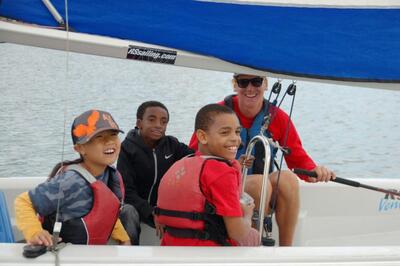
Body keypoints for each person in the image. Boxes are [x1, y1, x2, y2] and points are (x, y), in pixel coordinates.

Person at [189, 74, 336, 246]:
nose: (250, 88)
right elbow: (193, 157)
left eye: (256, 81)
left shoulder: (278, 117)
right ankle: (251, 249)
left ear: (266, 84)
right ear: (235, 85)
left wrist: (316, 171)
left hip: (261, 190)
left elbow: (297, 157)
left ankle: (285, 252)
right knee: (259, 184)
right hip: (222, 187)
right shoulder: (216, 114)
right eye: (243, 82)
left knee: (287, 179)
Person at [14, 109, 131, 246]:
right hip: (66, 256)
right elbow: (23, 202)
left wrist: (124, 239)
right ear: (80, 148)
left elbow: (106, 211)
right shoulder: (71, 181)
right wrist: (35, 233)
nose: (109, 141)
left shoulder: (113, 175)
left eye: (113, 134)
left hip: (93, 254)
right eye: (99, 137)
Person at [155, 104, 260, 246]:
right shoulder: (223, 173)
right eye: (225, 132)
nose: (235, 138)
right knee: (255, 236)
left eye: (237, 132)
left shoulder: (182, 164)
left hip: (170, 248)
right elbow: (237, 233)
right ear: (203, 137)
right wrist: (248, 214)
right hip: (207, 253)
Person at [117, 101, 194, 244]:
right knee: (128, 211)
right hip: (137, 209)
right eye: (152, 120)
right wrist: (151, 211)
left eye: (163, 122)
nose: (158, 125)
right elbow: (126, 192)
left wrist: (228, 160)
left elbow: (198, 158)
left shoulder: (172, 145)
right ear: (139, 123)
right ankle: (130, 255)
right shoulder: (127, 149)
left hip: (163, 209)